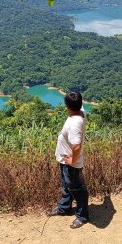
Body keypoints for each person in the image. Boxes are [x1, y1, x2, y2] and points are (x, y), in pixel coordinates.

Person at [47, 92, 89, 228]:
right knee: (66, 185)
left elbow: (76, 146)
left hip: (71, 163)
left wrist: (72, 160)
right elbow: (78, 101)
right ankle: (64, 208)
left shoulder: (75, 123)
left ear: (67, 106)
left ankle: (82, 216)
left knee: (77, 189)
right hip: (65, 160)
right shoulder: (80, 111)